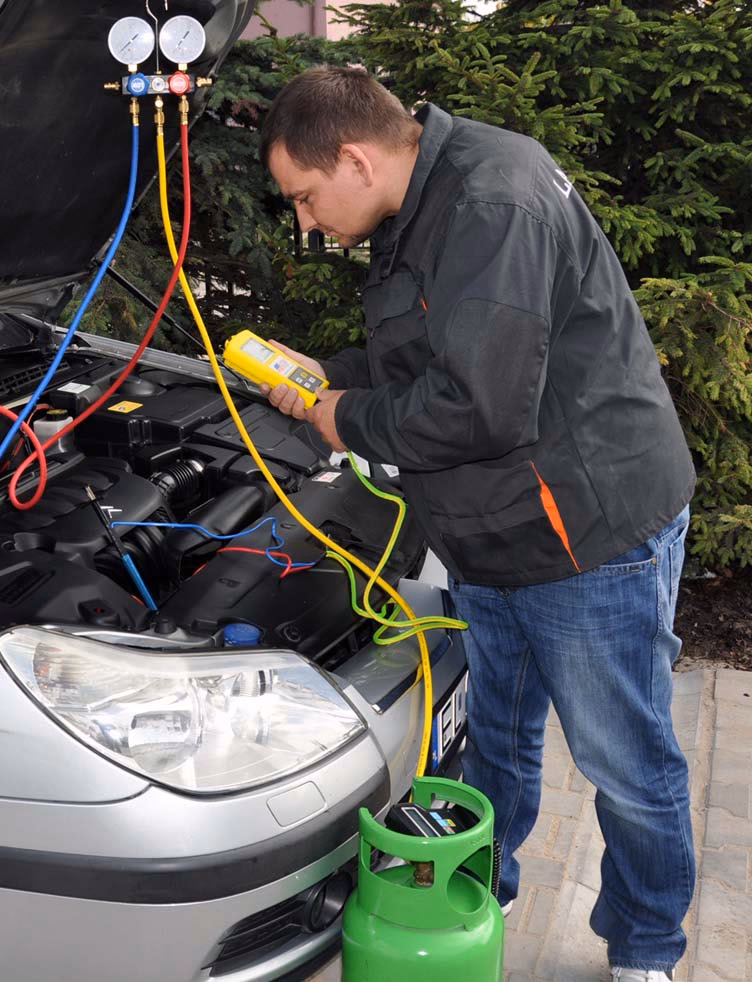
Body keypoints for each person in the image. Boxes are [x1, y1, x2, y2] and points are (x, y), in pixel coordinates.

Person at [257, 65, 696, 982]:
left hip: (584, 537)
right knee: (493, 738)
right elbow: (426, 352)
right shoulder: (422, 201)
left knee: (624, 763)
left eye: (303, 197)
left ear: (354, 160)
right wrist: (327, 377)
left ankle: (645, 947)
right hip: (494, 532)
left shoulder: (494, 202)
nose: (305, 223)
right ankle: (480, 887)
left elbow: (478, 406)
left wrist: (344, 417)